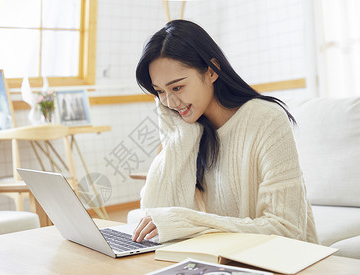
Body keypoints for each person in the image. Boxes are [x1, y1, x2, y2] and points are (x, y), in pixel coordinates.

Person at [132, 19, 318, 244]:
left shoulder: (266, 119)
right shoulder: (190, 128)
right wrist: (179, 134)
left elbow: (287, 229)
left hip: (280, 261)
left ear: (211, 71)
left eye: (177, 87)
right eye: (160, 91)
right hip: (218, 258)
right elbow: (155, 213)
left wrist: (187, 222)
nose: (169, 102)